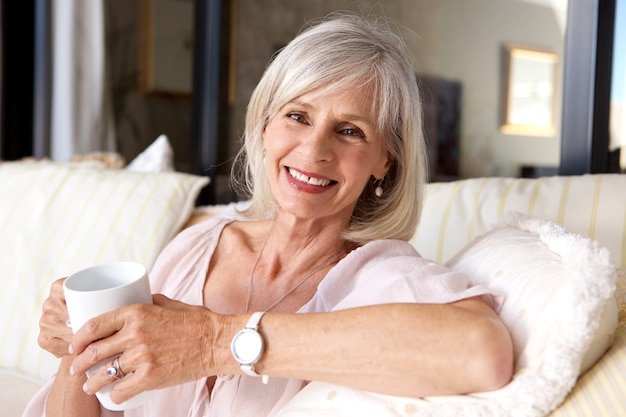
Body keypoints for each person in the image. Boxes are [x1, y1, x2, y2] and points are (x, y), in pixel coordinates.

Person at [26, 12, 513, 417]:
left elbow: (482, 351)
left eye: (350, 131)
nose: (314, 150)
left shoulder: (377, 277)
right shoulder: (198, 247)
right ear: (264, 126)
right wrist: (80, 349)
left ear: (385, 160)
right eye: (298, 116)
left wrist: (217, 341)